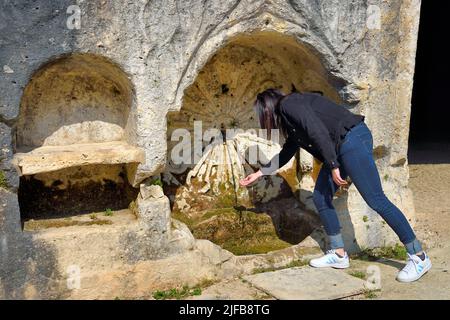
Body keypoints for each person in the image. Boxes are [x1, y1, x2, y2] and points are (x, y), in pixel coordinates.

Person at [239, 88, 431, 283]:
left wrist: (332, 165)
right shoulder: (292, 119)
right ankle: (339, 254)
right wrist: (259, 173)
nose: (261, 118)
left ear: (267, 108)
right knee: (321, 197)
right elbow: (287, 152)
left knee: (376, 200)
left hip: (351, 140)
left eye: (260, 114)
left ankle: (419, 256)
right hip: (341, 147)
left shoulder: (290, 104)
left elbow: (317, 131)